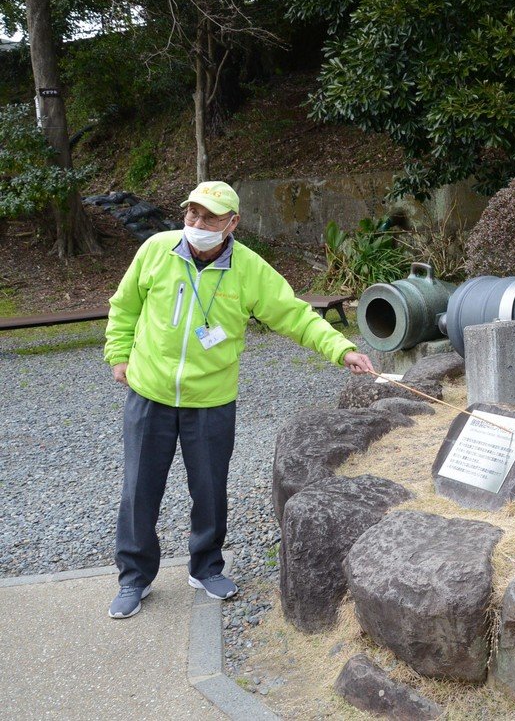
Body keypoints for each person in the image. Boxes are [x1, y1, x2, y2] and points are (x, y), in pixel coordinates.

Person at [103, 181, 374, 619]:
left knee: (209, 490)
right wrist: (118, 356)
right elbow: (124, 306)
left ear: (233, 223)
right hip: (149, 392)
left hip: (211, 400)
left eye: (209, 217)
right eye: (192, 214)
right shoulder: (156, 249)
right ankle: (134, 576)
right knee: (139, 489)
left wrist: (340, 349)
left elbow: (294, 314)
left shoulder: (249, 269)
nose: (197, 224)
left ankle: (206, 566)